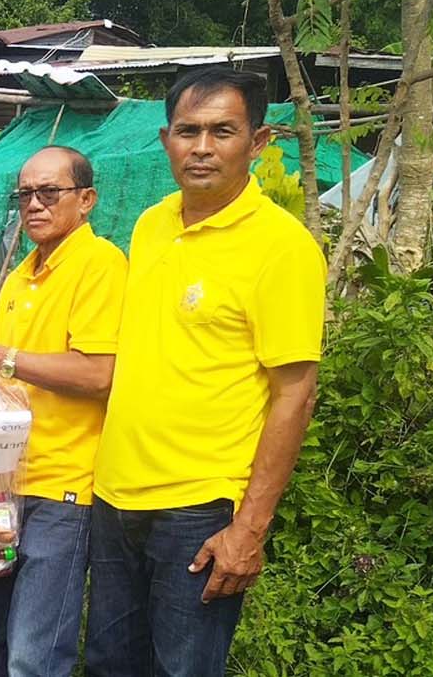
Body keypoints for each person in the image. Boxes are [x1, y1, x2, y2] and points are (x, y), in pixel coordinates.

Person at [88, 68, 323, 677]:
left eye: (223, 131)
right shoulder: (151, 223)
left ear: (260, 141)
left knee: (183, 669)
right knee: (110, 664)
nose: (202, 147)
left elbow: (295, 394)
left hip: (199, 509)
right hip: (114, 494)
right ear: (166, 138)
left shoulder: (282, 247)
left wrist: (250, 527)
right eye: (188, 131)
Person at [0, 147, 128, 677]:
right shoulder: (21, 274)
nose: (34, 204)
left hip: (65, 486)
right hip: (9, 481)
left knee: (34, 655)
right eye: (25, 194)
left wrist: (0, 357)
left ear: (85, 200)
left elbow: (97, 375)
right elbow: (3, 377)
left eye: (49, 193)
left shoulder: (100, 265)